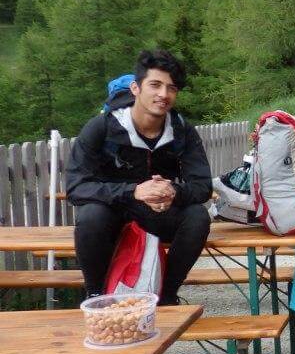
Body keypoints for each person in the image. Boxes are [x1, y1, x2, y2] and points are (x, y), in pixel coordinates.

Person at [67, 50, 212, 305]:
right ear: (136, 88)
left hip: (159, 213)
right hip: (113, 212)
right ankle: (97, 295)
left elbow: (202, 186)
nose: (163, 94)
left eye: (171, 88)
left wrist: (173, 192)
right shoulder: (102, 127)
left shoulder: (181, 130)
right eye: (155, 85)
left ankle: (166, 295)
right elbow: (76, 187)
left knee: (197, 216)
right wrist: (133, 191)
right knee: (90, 216)